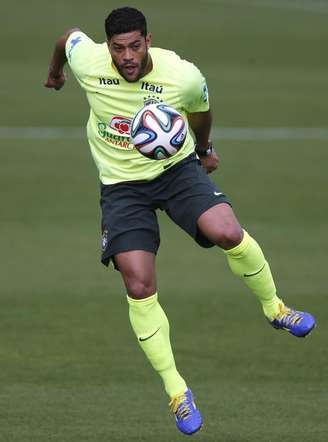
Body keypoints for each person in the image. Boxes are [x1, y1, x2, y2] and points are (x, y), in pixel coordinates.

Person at [45, 7, 316, 436]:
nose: (127, 56)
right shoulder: (89, 59)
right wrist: (55, 73)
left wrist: (204, 150)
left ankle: (276, 307)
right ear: (108, 47)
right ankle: (177, 392)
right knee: (138, 283)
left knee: (226, 230)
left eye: (135, 46)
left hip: (176, 170)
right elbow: (67, 37)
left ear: (149, 40)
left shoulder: (181, 75)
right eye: (118, 48)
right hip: (122, 186)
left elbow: (202, 108)